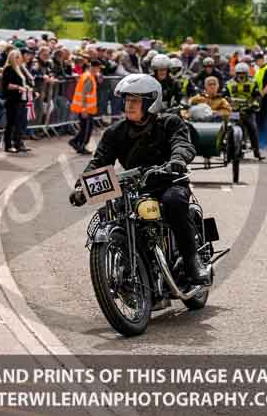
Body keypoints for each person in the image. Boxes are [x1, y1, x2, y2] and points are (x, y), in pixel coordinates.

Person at [68, 74, 210, 285]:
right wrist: (82, 186)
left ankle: (192, 261)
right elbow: (100, 161)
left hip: (168, 182)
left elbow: (182, 144)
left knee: (174, 202)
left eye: (135, 101)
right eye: (127, 100)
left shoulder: (170, 122)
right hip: (134, 187)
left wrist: (178, 160)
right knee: (112, 212)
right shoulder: (115, 132)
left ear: (150, 103)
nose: (129, 105)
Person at [224, 63, 263, 159]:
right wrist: (225, 101)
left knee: (253, 128)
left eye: (243, 73)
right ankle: (222, 148)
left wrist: (255, 104)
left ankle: (256, 152)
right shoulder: (229, 83)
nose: (241, 75)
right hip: (234, 110)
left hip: (248, 110)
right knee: (226, 127)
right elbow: (224, 95)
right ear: (236, 74)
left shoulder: (253, 82)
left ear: (247, 73)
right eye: (239, 73)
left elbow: (257, 95)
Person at [69, 60, 102, 155]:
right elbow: (84, 94)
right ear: (94, 67)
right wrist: (84, 109)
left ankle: (75, 142)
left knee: (85, 128)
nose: (99, 70)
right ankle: (81, 145)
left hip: (87, 108)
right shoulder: (88, 77)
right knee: (87, 129)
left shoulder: (89, 76)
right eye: (98, 68)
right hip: (85, 109)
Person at [1, 49, 29, 153]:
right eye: (16, 57)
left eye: (19, 57)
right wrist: (18, 87)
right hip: (12, 99)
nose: (18, 59)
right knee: (11, 123)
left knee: (19, 122)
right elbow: (7, 85)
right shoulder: (8, 69)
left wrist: (27, 88)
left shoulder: (19, 68)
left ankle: (18, 143)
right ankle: (8, 145)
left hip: (21, 99)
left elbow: (23, 82)